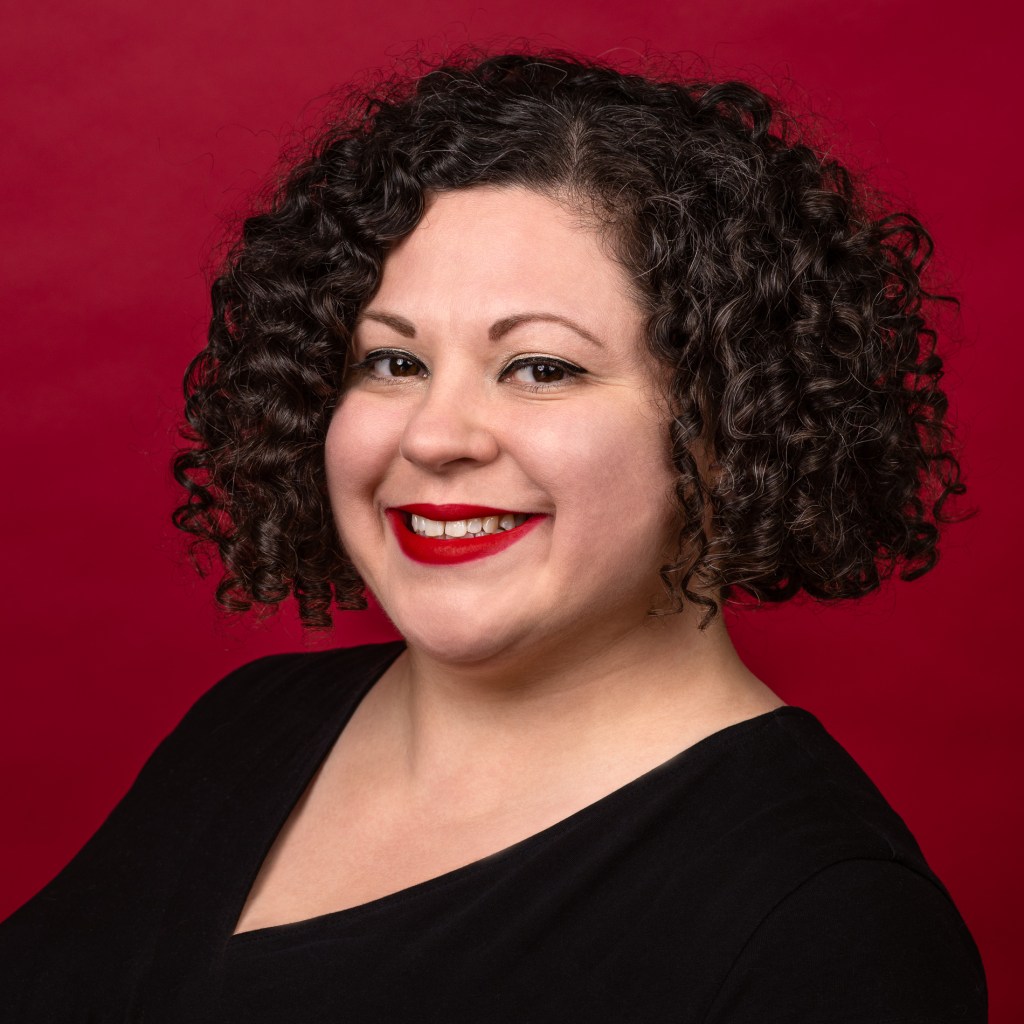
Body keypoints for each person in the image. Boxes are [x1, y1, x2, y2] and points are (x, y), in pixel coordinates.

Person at [0, 50, 986, 1022]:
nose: (433, 435)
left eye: (541, 368)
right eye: (391, 360)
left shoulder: (826, 923)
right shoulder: (246, 725)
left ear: (731, 425)